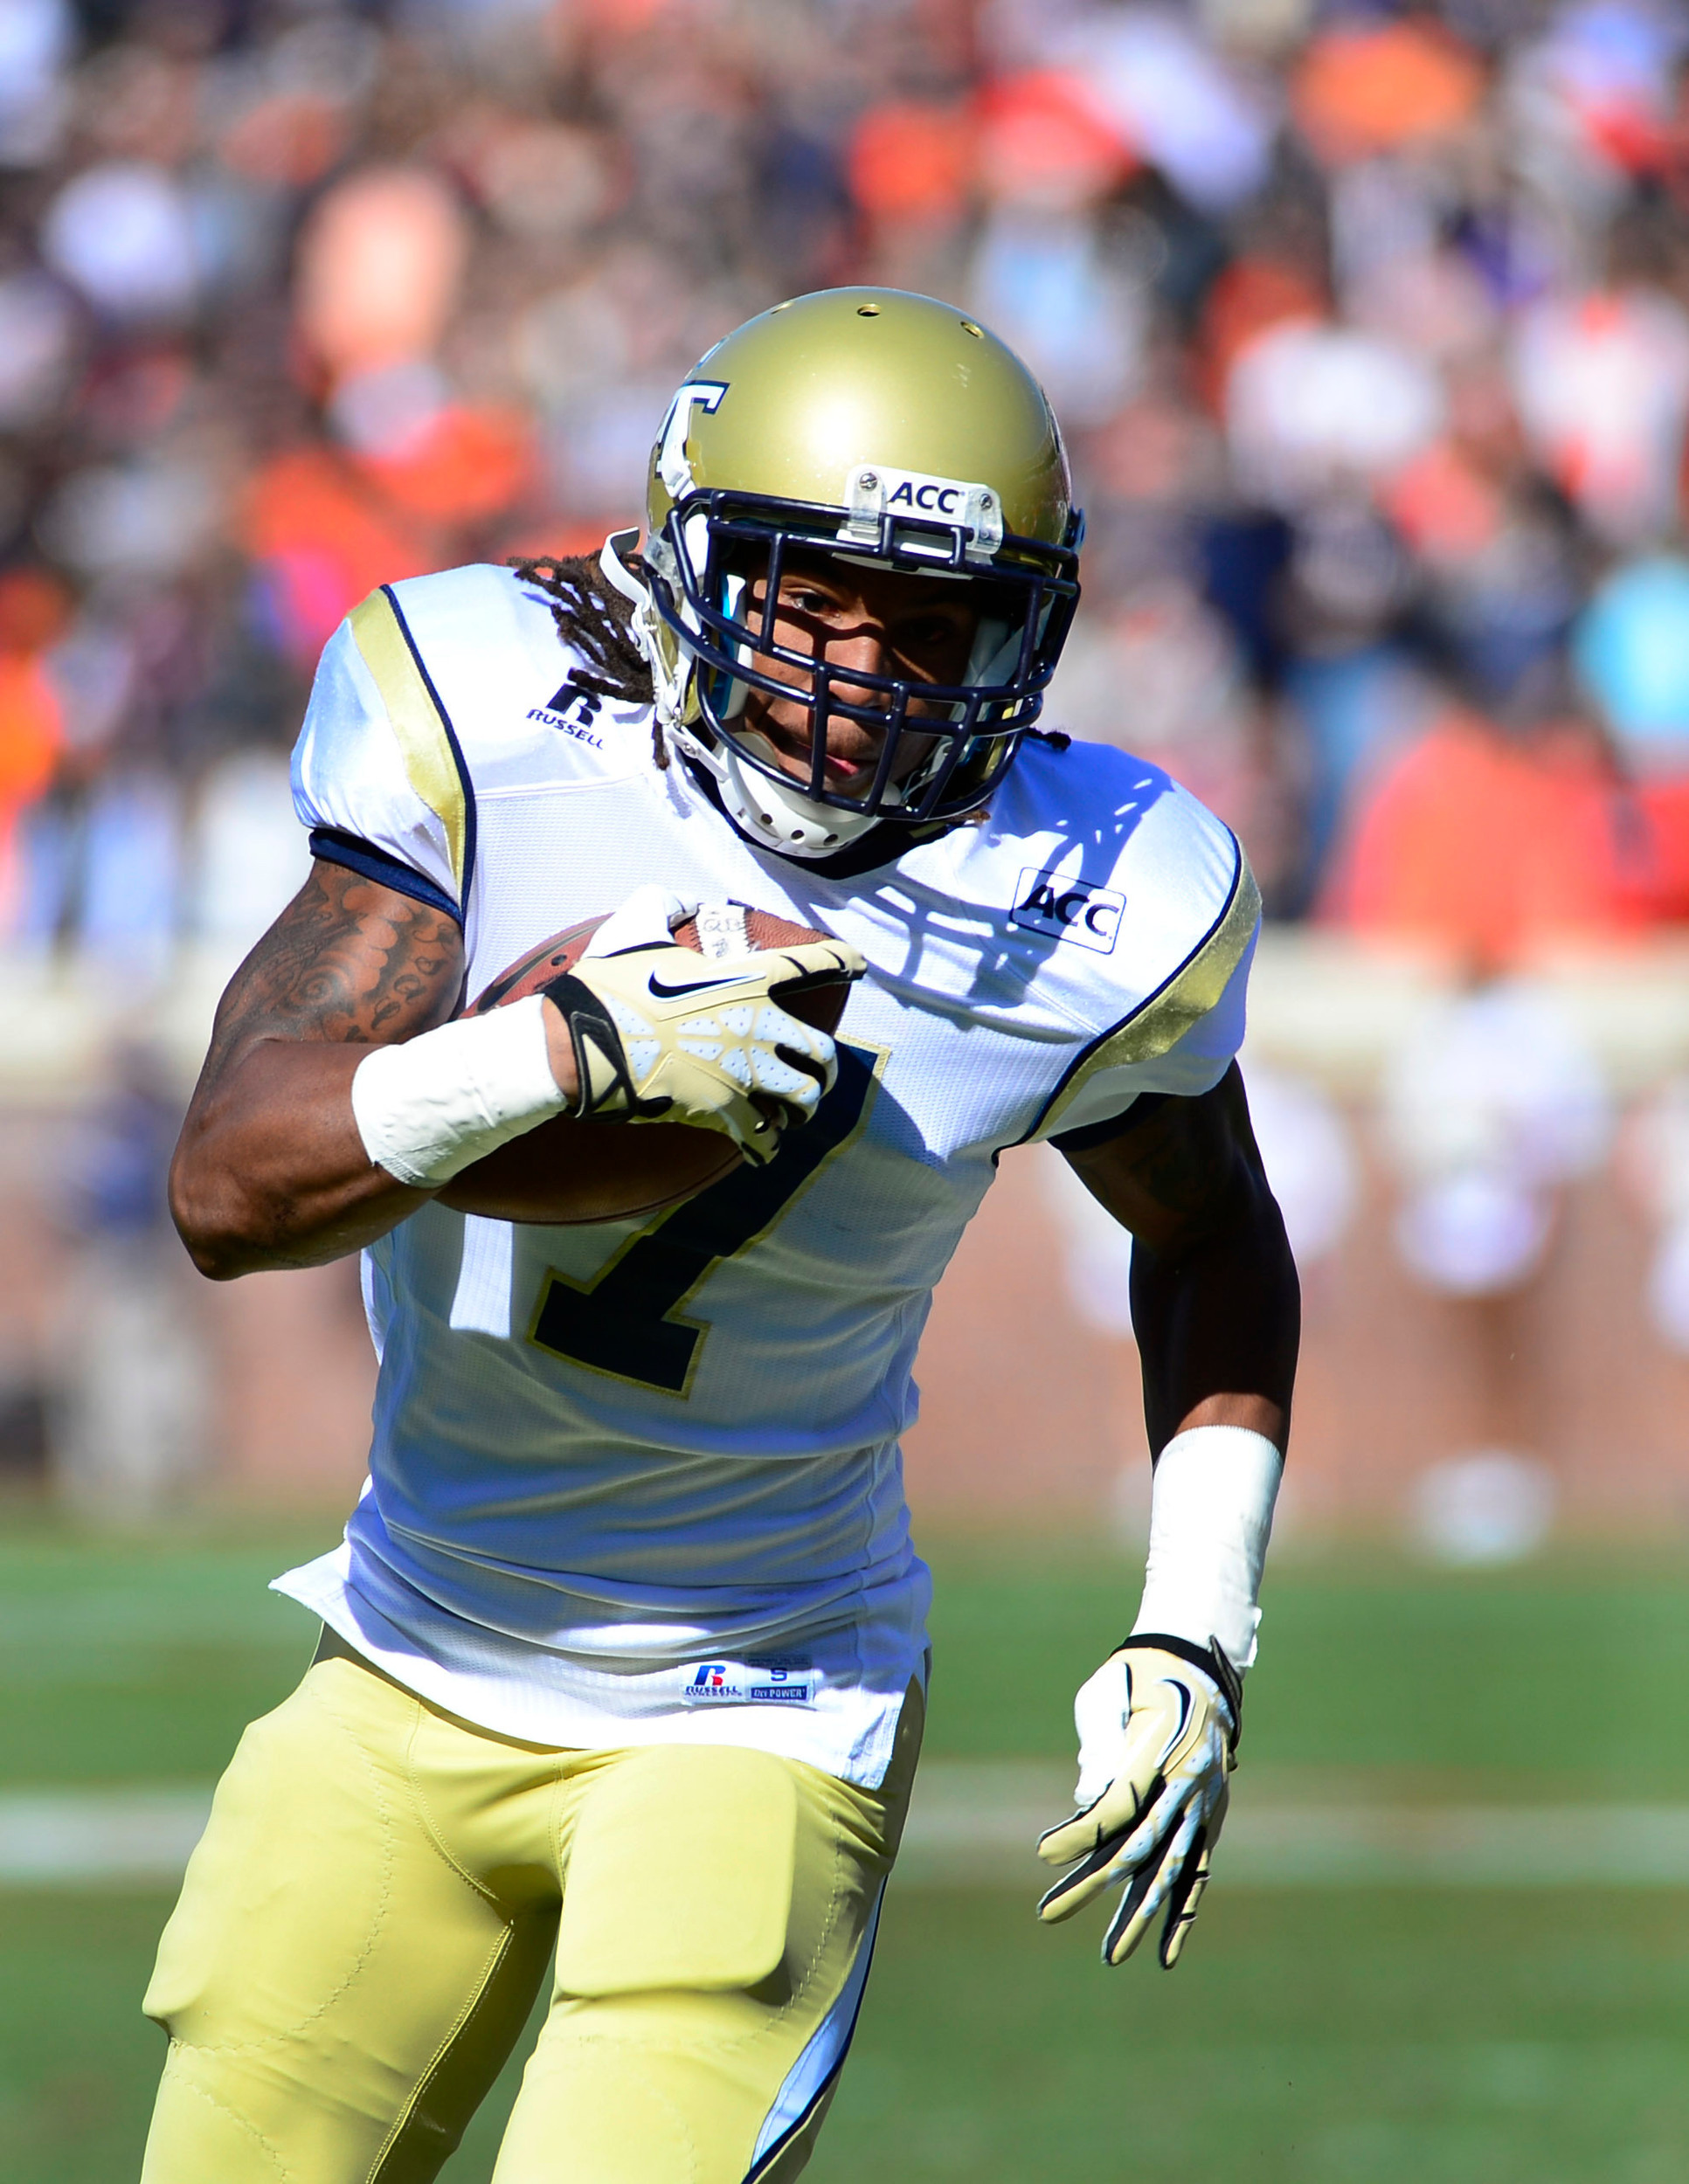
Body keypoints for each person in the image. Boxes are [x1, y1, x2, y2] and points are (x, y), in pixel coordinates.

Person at [148, 287, 1299, 2184]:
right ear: (691, 562)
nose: (863, 681)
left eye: (931, 627)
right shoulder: (496, 711)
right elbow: (228, 1186)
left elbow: (1214, 1236)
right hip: (408, 1644)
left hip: (762, 1693)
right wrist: (550, 1054)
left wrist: (1195, 1620)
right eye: (813, 603)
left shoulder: (1093, 896)